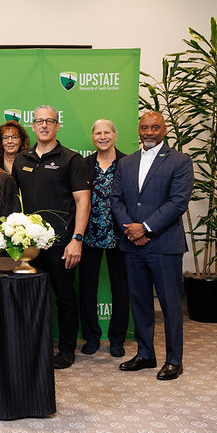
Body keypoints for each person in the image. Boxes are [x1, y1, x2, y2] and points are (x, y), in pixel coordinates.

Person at [111, 111, 193, 381]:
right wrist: (131, 230)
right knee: (140, 302)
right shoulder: (126, 163)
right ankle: (145, 354)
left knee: (170, 305)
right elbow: (116, 200)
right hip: (132, 245)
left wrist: (145, 228)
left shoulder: (180, 161)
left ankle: (174, 360)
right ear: (138, 129)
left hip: (164, 245)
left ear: (164, 130)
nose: (148, 132)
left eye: (154, 127)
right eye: (144, 127)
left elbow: (178, 202)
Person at [11, 105, 90, 370]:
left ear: (57, 125)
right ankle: (34, 347)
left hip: (61, 243)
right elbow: (14, 201)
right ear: (33, 126)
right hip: (29, 246)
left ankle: (66, 349)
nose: (44, 125)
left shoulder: (71, 159)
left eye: (49, 121)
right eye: (39, 121)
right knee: (31, 298)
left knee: (65, 297)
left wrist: (77, 239)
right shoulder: (21, 160)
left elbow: (83, 202)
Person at [79, 119, 129, 358]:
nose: (102, 137)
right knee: (87, 289)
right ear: (93, 137)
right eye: (97, 133)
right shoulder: (84, 164)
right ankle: (91, 337)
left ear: (115, 135)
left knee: (121, 289)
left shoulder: (128, 163)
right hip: (90, 234)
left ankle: (117, 339)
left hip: (120, 234)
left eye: (107, 132)